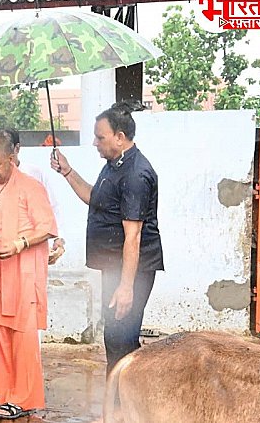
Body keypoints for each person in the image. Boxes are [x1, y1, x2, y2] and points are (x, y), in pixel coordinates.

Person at [50, 101, 163, 373]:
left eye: (100, 137)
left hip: (132, 271)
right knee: (114, 337)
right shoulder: (114, 164)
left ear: (120, 138)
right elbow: (95, 198)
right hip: (115, 267)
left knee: (122, 339)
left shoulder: (136, 174)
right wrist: (67, 171)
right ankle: (119, 399)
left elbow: (133, 236)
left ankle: (127, 403)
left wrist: (126, 287)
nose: (94, 143)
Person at [0, 133, 57, 420]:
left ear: (11, 159)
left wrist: (20, 243)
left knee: (21, 335)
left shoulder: (31, 187)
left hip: (23, 272)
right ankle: (0, 392)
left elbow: (47, 227)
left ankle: (21, 400)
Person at [0, 127, 66, 264]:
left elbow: (53, 207)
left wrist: (58, 238)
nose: (1, 152)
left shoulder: (34, 174)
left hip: (32, 246)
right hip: (3, 250)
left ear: (17, 148)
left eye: (5, 147)